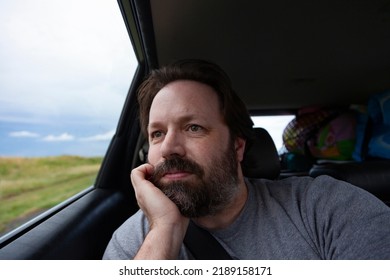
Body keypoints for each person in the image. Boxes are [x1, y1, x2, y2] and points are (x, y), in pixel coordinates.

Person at [103, 59, 390, 260]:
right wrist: (165, 229)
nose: (168, 148)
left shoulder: (324, 206)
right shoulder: (134, 243)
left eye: (193, 128)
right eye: (157, 133)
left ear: (237, 147)